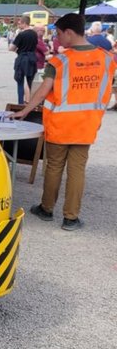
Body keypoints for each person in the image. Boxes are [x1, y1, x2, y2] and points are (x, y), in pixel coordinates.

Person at [10, 13, 116, 231]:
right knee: (77, 170)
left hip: (60, 124)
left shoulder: (60, 61)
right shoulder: (107, 58)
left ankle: (47, 209)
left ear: (69, 32)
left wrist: (23, 112)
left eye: (58, 33)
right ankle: (71, 218)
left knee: (54, 167)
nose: (57, 38)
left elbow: (41, 93)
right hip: (87, 124)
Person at [9, 16, 38, 103]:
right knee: (31, 82)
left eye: (20, 23)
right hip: (32, 58)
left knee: (20, 81)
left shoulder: (21, 34)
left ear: (24, 23)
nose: (19, 25)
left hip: (22, 58)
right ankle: (33, 102)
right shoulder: (34, 34)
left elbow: (11, 48)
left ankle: (20, 103)